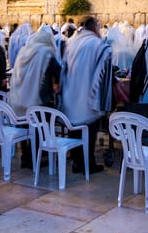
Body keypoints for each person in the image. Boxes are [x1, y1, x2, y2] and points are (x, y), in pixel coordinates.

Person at [59, 16, 111, 174]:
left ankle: (76, 162)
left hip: (71, 94)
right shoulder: (97, 44)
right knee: (89, 131)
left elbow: (63, 67)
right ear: (95, 28)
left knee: (74, 130)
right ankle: (88, 164)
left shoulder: (72, 42)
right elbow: (104, 68)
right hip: (88, 96)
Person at [8, 25, 61, 168]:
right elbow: (59, 71)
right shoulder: (46, 53)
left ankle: (25, 156)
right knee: (39, 127)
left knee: (25, 125)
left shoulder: (25, 50)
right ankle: (35, 158)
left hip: (21, 95)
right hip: (38, 97)